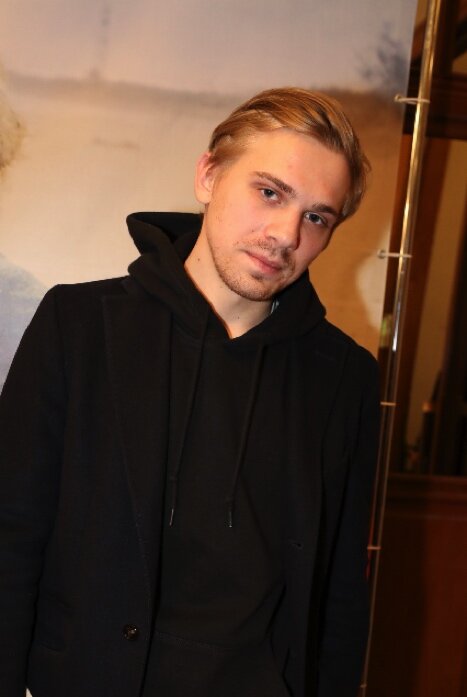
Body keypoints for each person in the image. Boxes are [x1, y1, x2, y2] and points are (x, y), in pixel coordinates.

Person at [0, 87, 380, 697]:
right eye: (270, 192)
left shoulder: (344, 378)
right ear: (208, 175)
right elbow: (12, 532)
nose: (285, 234)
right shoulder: (79, 325)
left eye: (317, 217)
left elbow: (339, 590)